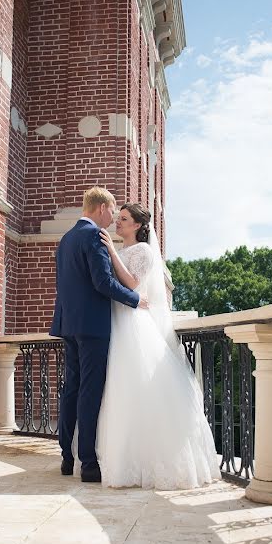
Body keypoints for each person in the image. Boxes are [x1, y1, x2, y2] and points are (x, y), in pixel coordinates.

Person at [93, 203, 221, 490]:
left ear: (137, 225)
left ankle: (148, 464)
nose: (118, 223)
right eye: (119, 218)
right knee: (119, 389)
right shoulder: (125, 250)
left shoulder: (143, 252)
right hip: (116, 318)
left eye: (124, 219)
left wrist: (112, 252)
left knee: (137, 386)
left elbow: (132, 283)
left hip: (133, 322)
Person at [50, 187, 149, 483]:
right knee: (89, 392)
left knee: (71, 389)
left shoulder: (66, 239)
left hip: (68, 324)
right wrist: (135, 300)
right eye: (113, 210)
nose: (113, 217)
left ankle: (67, 458)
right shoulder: (93, 235)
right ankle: (89, 464)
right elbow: (102, 282)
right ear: (102, 207)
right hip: (92, 327)